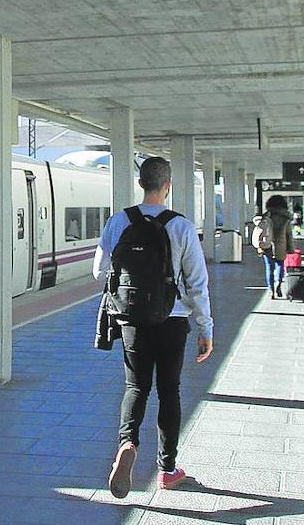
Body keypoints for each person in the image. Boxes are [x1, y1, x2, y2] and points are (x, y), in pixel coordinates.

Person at [93, 157, 214, 497]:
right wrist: (206, 327)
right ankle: (168, 469)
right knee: (169, 391)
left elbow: (99, 271)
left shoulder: (119, 221)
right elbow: (197, 283)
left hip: (131, 319)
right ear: (168, 185)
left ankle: (127, 443)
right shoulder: (181, 226)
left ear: (141, 183)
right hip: (172, 320)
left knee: (136, 387)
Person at [259, 195, 295, 299]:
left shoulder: (266, 216)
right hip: (281, 245)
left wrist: (259, 245)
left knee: (269, 267)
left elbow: (260, 231)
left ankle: (271, 290)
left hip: (267, 245)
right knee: (280, 265)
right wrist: (291, 248)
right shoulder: (285, 218)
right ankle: (278, 284)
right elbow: (289, 234)